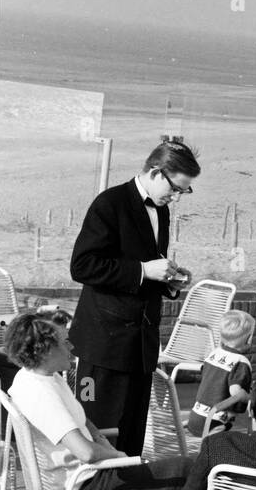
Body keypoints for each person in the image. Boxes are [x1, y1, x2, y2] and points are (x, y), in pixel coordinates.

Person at [4, 311, 190, 490]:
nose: (72, 347)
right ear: (43, 350)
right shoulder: (40, 393)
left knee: (184, 476)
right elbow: (85, 454)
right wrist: (120, 458)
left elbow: (83, 420)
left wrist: (106, 446)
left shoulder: (39, 377)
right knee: (189, 474)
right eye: (65, 342)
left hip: (77, 482)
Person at [69, 138, 201, 457]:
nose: (177, 198)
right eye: (175, 188)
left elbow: (148, 268)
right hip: (103, 347)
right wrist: (144, 270)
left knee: (131, 437)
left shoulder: (162, 212)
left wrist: (167, 281)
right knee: (100, 433)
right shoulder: (109, 203)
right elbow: (82, 266)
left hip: (140, 348)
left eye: (184, 191)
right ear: (156, 171)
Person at [186, 308, 254, 440]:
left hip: (195, 418)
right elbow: (236, 393)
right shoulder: (240, 362)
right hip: (215, 422)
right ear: (249, 338)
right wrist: (251, 397)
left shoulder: (213, 353)